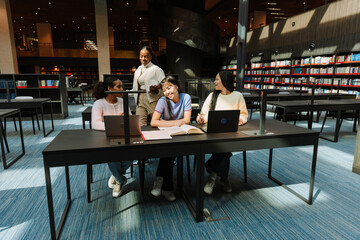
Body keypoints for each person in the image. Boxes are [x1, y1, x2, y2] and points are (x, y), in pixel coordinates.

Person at [196, 71, 248, 195]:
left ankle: (212, 175)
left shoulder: (238, 96)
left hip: (231, 132)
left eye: (217, 79)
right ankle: (224, 179)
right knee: (225, 150)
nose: (214, 82)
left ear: (225, 81)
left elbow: (244, 114)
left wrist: (241, 119)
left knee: (225, 147)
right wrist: (201, 119)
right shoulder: (212, 96)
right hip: (212, 132)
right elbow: (203, 114)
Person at [150, 76, 192, 201]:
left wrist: (165, 122)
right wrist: (177, 123)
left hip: (181, 134)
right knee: (169, 152)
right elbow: (153, 122)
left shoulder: (186, 98)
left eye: (169, 88)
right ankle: (167, 188)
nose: (167, 92)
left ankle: (159, 180)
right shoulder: (163, 101)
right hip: (165, 134)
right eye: (164, 90)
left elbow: (187, 120)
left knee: (169, 153)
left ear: (177, 86)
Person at [92, 76, 132, 198]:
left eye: (122, 86)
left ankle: (116, 175)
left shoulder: (122, 101)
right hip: (107, 137)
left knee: (132, 153)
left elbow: (130, 119)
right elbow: (96, 123)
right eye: (119, 86)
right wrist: (115, 125)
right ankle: (120, 180)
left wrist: (125, 120)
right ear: (109, 88)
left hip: (124, 135)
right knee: (112, 154)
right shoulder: (99, 103)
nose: (122, 89)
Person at [132, 46, 166, 126]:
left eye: (146, 56)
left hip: (153, 98)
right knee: (139, 124)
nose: (143, 58)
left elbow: (165, 85)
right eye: (141, 56)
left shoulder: (156, 69)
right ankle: (142, 138)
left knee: (157, 123)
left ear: (150, 57)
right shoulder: (138, 70)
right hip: (140, 98)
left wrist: (157, 89)